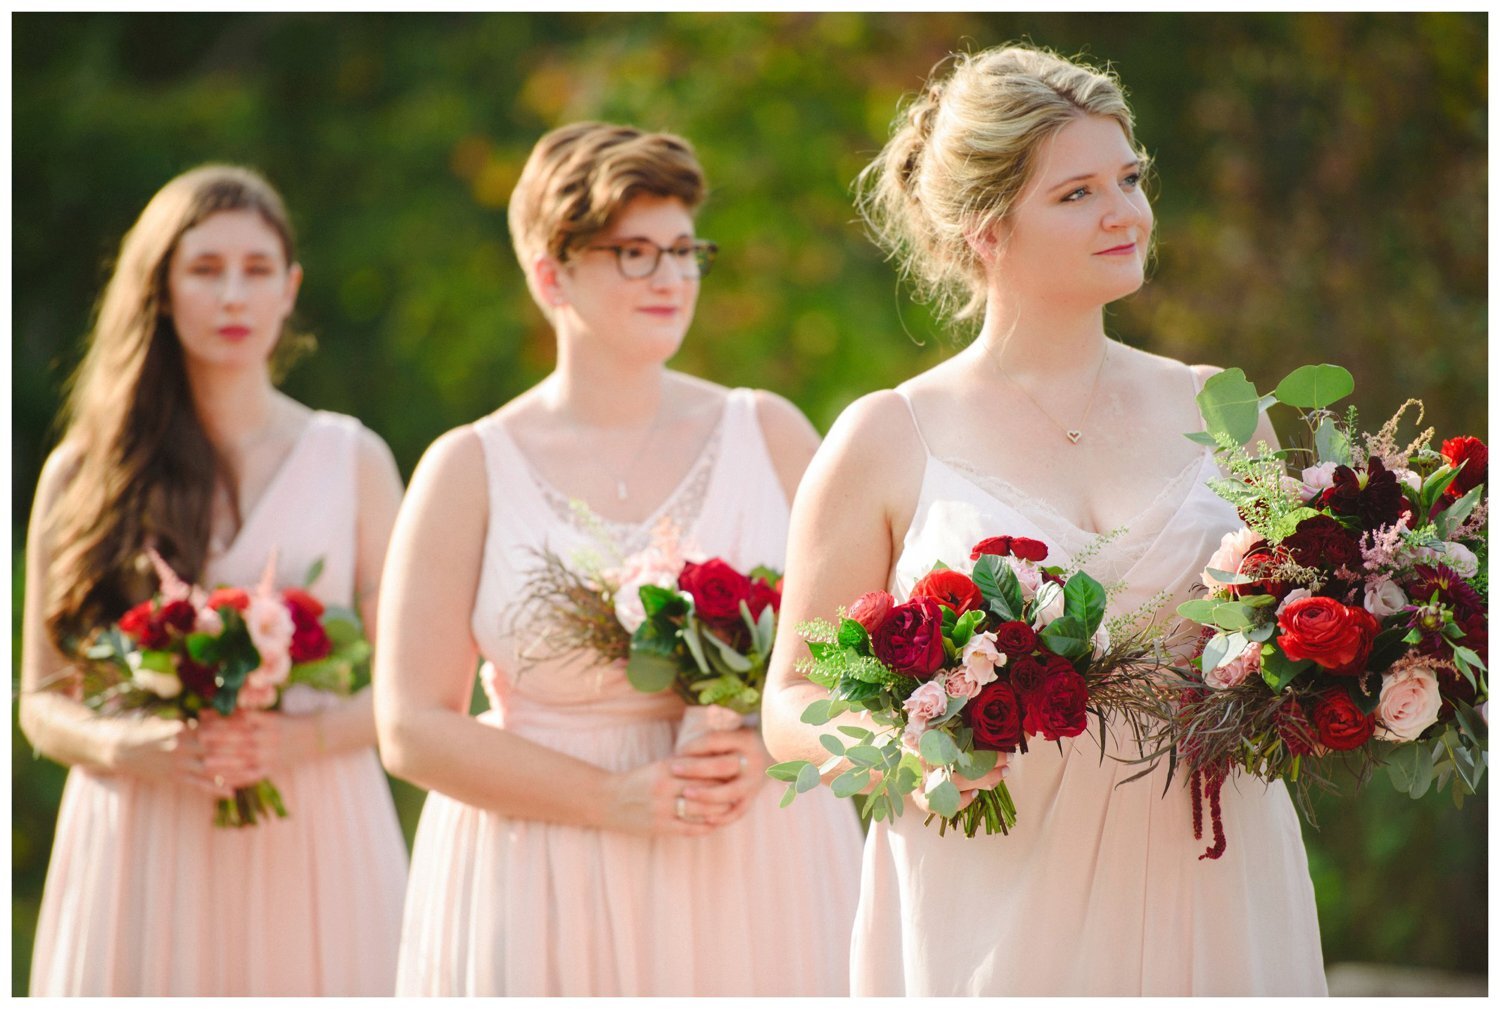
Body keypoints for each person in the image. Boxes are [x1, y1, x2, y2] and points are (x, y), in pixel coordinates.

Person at [761, 46, 1327, 996]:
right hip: (993, 886)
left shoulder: (1227, 407)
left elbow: (1296, 633)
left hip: (1217, 870)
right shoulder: (885, 437)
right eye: (1077, 194)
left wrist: (1368, 650)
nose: (1127, 212)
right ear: (986, 229)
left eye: (1131, 178)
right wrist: (909, 750)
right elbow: (788, 703)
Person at [375, 121, 861, 997]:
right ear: (549, 272)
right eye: (634, 252)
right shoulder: (467, 466)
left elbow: (849, 658)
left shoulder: (773, 433)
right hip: (545, 872)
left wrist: (768, 743)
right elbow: (410, 725)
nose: (672, 277)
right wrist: (607, 799)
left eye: (684, 250)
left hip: (753, 863)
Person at [20, 164, 409, 996]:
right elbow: (41, 700)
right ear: (159, 288)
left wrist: (293, 740)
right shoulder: (84, 474)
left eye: (257, 270)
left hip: (319, 826)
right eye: (204, 270)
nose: (233, 295)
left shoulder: (355, 459)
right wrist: (133, 746)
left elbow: (414, 684)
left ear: (289, 288)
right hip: (143, 831)